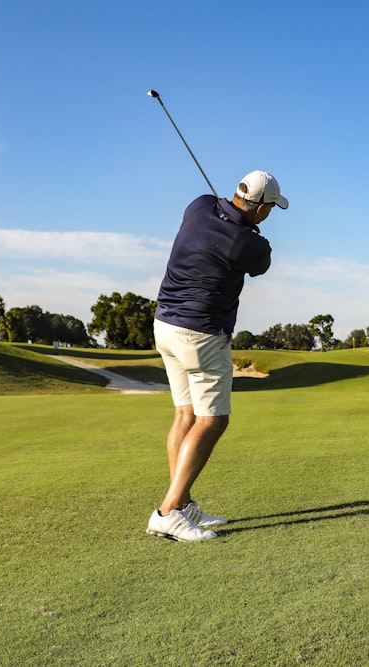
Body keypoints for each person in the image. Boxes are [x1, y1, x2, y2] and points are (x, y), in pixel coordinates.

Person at [146, 170, 288, 542]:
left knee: (185, 414)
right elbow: (263, 261)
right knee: (213, 421)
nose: (270, 214)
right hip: (201, 334)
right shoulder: (248, 244)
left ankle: (184, 500)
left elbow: (214, 208)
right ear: (260, 209)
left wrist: (234, 217)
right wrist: (250, 230)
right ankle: (170, 510)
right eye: (270, 208)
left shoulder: (198, 206)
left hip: (165, 326)